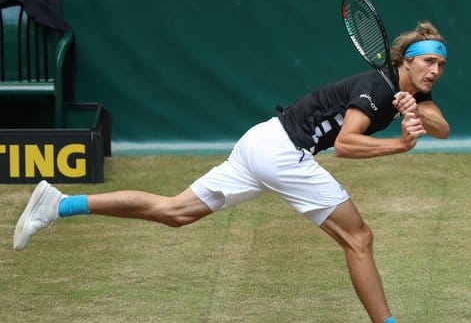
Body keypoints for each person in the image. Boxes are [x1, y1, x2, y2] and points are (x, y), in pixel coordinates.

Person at [13, 21, 449, 323]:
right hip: (284, 151)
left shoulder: (404, 92)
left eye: (441, 65)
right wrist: (399, 143)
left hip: (260, 141)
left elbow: (442, 128)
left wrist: (413, 110)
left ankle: (58, 204)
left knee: (176, 211)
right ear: (405, 61)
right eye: (427, 61)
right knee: (359, 238)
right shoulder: (376, 87)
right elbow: (345, 144)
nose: (434, 70)